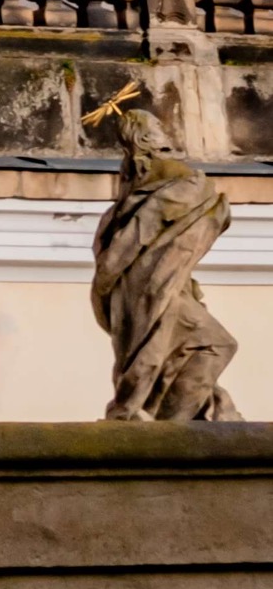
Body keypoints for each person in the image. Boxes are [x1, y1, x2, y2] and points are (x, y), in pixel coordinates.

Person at [90, 92, 239, 423]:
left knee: (184, 348)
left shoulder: (134, 186)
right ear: (145, 138)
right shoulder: (174, 175)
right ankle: (167, 424)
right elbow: (160, 214)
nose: (164, 129)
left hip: (154, 281)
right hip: (155, 280)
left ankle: (168, 416)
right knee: (210, 344)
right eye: (156, 125)